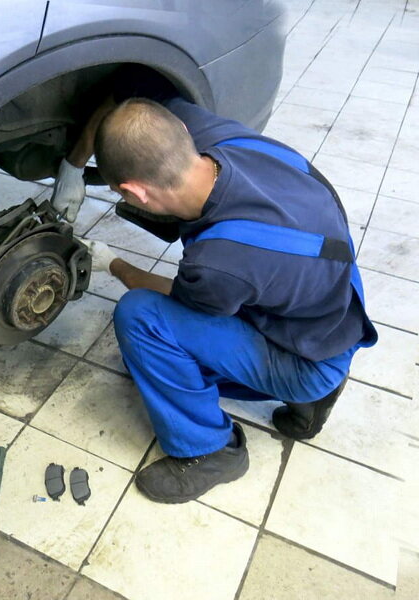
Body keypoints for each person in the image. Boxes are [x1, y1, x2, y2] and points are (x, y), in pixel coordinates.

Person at [51, 84, 378, 504]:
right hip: (335, 312)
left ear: (136, 193)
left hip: (308, 361)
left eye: (121, 194)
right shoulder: (216, 138)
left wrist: (112, 262)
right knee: (149, 363)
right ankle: (312, 400)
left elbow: (174, 299)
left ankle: (210, 451)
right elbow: (127, 86)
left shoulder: (216, 264)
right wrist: (73, 166)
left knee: (140, 321)